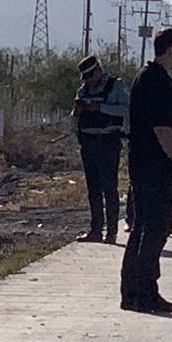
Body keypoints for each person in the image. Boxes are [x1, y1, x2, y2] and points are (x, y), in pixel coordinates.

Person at [120, 27, 172, 314]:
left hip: (144, 167)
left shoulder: (147, 77)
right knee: (155, 230)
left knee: (142, 229)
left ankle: (132, 293)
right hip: (156, 169)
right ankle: (146, 294)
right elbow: (163, 130)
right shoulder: (157, 81)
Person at [71, 55, 130, 244]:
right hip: (88, 142)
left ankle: (111, 232)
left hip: (107, 142)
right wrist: (79, 110)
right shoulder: (83, 90)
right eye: (85, 77)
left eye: (90, 75)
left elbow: (129, 110)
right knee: (93, 189)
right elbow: (75, 115)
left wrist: (101, 107)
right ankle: (95, 230)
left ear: (99, 70)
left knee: (109, 188)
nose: (88, 80)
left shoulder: (116, 86)